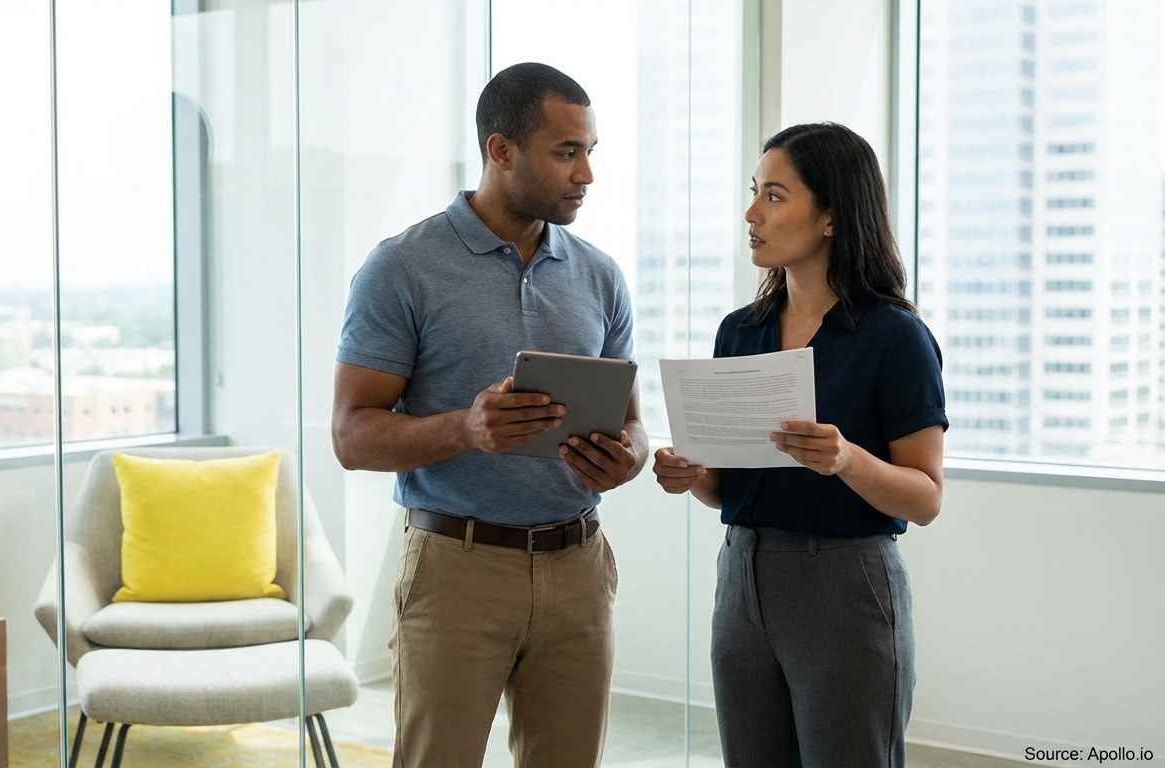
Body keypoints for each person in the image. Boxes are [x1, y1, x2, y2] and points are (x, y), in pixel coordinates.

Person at [331, 62, 648, 768]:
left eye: (590, 151)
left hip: (579, 569)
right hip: (456, 571)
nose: (586, 174)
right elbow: (352, 436)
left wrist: (629, 457)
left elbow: (635, 425)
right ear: (500, 150)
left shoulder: (600, 275)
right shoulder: (401, 268)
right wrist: (464, 429)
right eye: (567, 152)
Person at [652, 122, 947, 767]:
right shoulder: (741, 332)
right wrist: (692, 473)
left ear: (832, 218)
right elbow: (729, 489)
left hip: (844, 583)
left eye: (776, 196)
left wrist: (846, 459)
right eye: (755, 193)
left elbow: (925, 500)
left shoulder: (895, 339)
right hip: (742, 577)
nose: (752, 214)